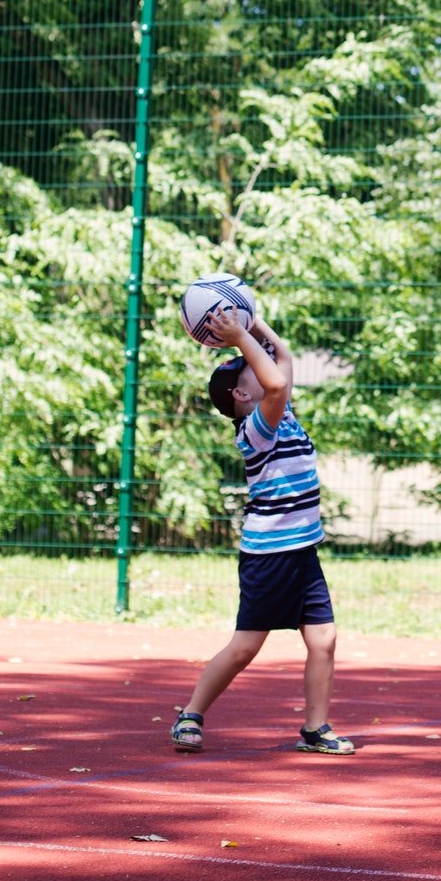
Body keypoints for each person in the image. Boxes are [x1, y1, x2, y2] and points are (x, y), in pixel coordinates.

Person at [169, 308, 354, 756]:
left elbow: (282, 361)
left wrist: (254, 325)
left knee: (324, 639)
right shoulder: (256, 429)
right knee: (245, 647)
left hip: (302, 551)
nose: (265, 368)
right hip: (268, 556)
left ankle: (315, 729)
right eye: (251, 369)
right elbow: (274, 381)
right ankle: (191, 713)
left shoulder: (281, 411)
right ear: (240, 395)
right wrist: (236, 339)